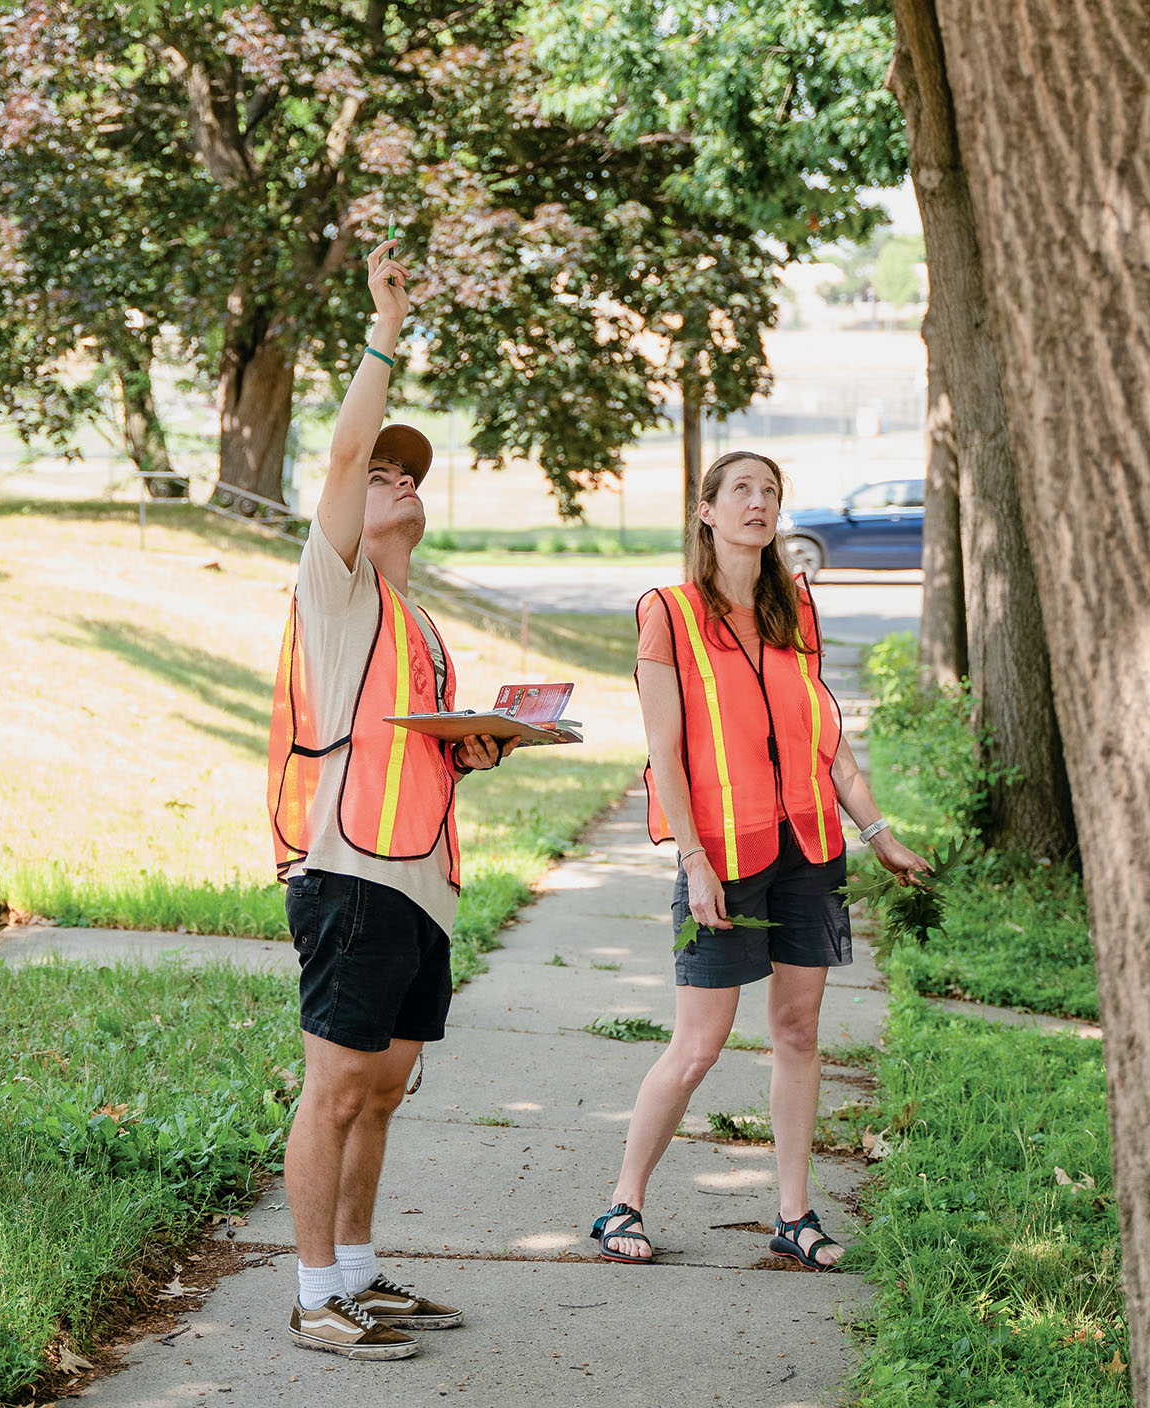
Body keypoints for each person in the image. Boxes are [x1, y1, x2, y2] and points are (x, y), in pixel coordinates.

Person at [264, 240, 514, 1360]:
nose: (400, 479)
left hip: (420, 880)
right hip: (349, 871)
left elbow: (410, 743)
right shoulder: (337, 587)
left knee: (387, 1087)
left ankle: (359, 1275)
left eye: (414, 474)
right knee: (334, 1087)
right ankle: (314, 1296)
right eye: (385, 475)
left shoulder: (415, 622)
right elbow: (344, 451)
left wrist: (475, 747)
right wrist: (385, 334)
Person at [591, 450, 932, 1269]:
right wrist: (695, 860)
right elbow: (665, 756)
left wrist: (879, 832)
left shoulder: (796, 610)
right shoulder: (668, 614)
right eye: (741, 489)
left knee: (798, 1032)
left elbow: (829, 744)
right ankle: (622, 1206)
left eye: (771, 491)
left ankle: (793, 1215)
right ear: (706, 511)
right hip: (725, 855)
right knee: (700, 1044)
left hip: (808, 851)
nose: (759, 502)